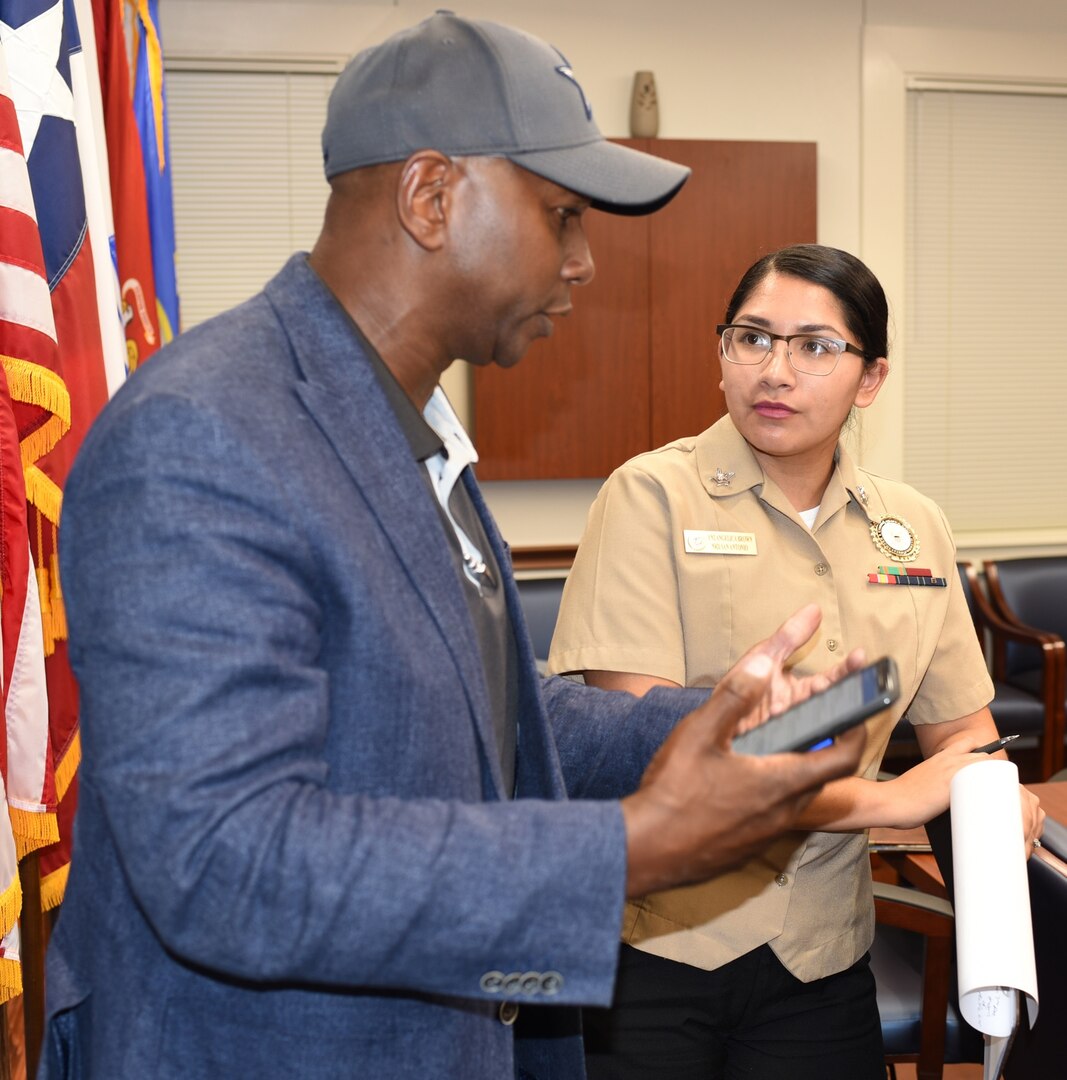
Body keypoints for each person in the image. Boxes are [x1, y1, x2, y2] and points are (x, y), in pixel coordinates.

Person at [40, 17, 869, 1080]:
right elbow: (224, 863)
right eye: (560, 215)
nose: (581, 261)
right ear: (431, 197)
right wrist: (634, 846)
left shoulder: (409, 425)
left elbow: (477, 712)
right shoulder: (202, 432)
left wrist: (705, 724)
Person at [547, 243, 1045, 1079]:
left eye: (814, 346)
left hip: (821, 954)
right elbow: (649, 754)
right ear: (722, 355)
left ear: (870, 379)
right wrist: (880, 800)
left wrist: (990, 791)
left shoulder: (912, 525)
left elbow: (962, 735)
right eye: (752, 339)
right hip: (658, 952)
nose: (774, 370)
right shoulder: (649, 497)